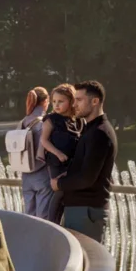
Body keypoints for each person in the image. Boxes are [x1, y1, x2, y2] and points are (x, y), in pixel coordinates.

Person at [53, 80, 116, 245]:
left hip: (87, 211)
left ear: (95, 101)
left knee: (86, 264)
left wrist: (59, 183)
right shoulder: (91, 130)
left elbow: (87, 178)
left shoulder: (100, 133)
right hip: (81, 210)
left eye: (79, 100)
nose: (75, 104)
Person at [40, 83, 82, 222]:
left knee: (70, 192)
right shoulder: (51, 119)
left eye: (61, 101)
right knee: (59, 190)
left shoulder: (76, 121)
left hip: (72, 162)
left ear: (71, 101)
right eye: (54, 102)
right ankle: (53, 222)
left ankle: (67, 222)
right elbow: (44, 140)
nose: (56, 105)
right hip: (57, 162)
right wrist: (58, 153)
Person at [17, 87, 53, 220]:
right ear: (45, 102)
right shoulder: (44, 122)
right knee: (44, 220)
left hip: (26, 175)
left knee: (30, 219)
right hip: (42, 174)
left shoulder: (22, 122)